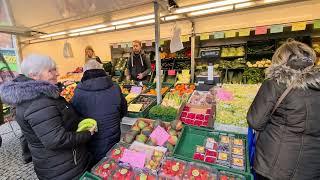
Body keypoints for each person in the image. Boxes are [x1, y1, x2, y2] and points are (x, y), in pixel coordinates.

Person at [0, 54, 95, 179]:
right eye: (51, 70)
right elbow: (56, 140)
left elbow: (59, 120)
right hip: (63, 168)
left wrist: (80, 121)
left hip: (63, 163)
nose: (57, 73)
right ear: (34, 75)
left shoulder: (42, 95)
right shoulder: (38, 102)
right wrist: (88, 133)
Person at [247, 39, 320, 180]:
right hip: (312, 166)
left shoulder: (276, 82)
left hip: (276, 163)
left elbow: (255, 121)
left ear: (281, 58)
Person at [71, 60, 127, 164]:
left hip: (91, 140)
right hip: (113, 137)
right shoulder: (115, 87)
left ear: (85, 72)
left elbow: (75, 116)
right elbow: (124, 110)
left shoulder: (79, 90)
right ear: (102, 70)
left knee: (97, 167)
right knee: (113, 163)